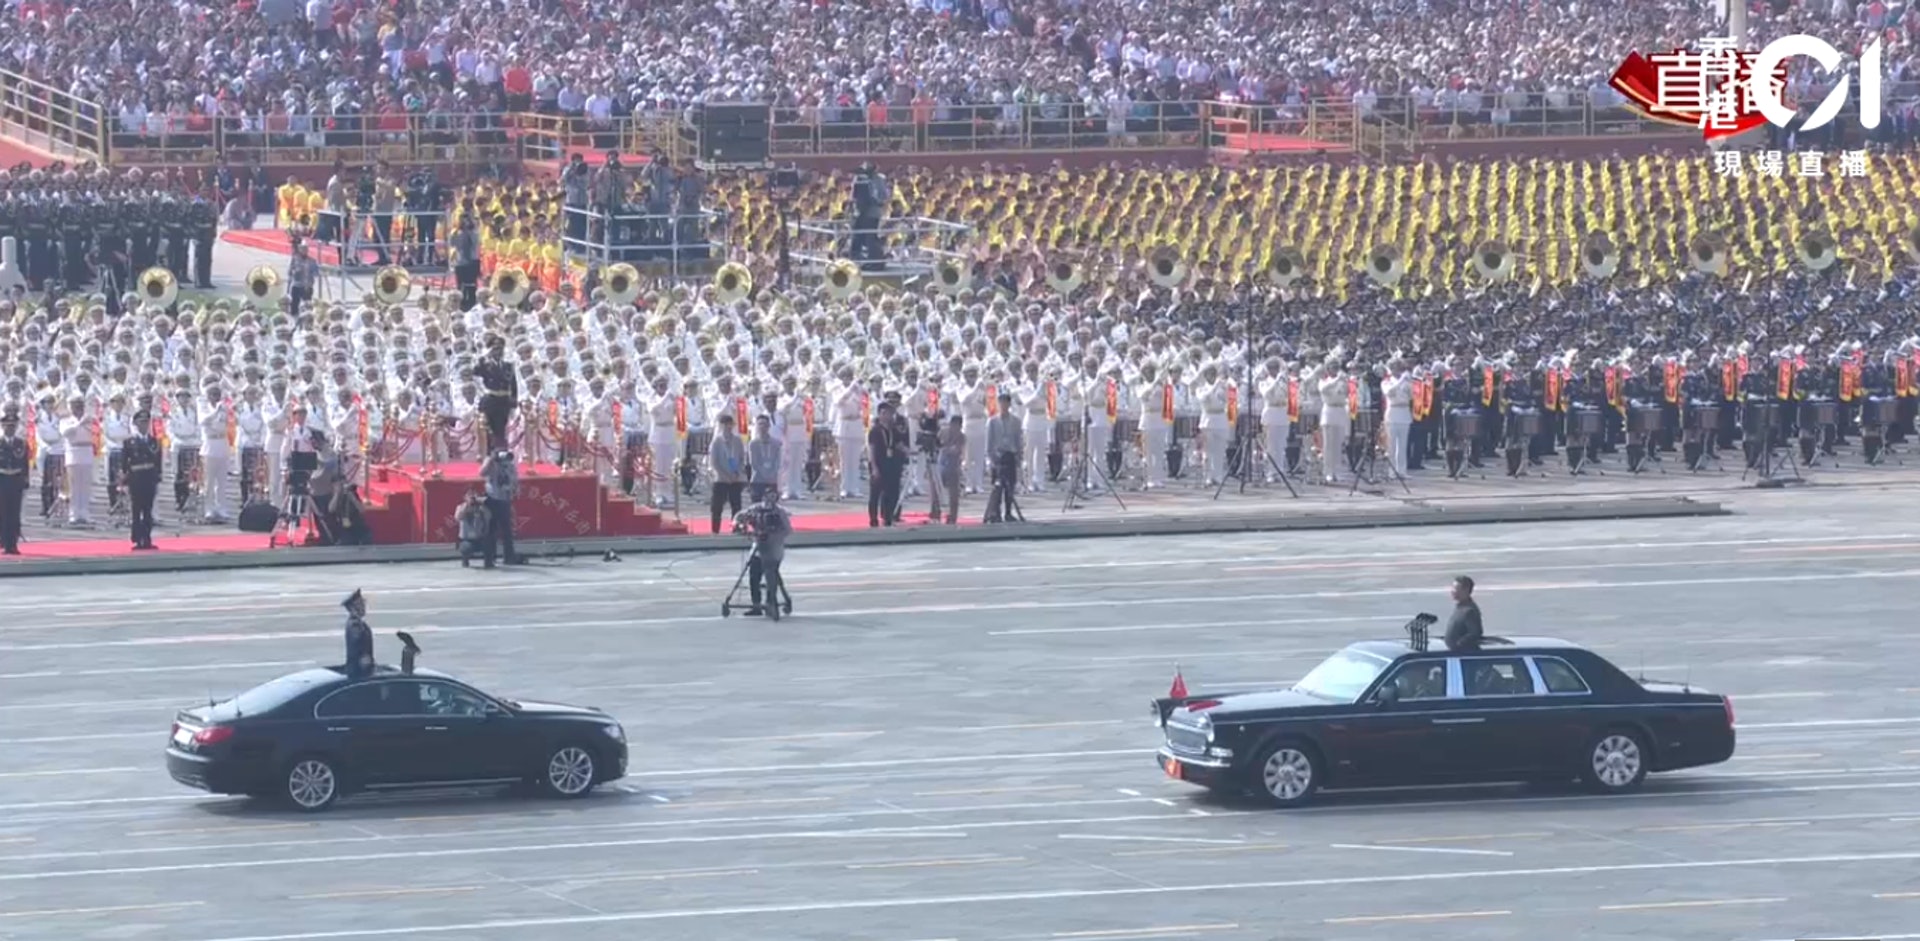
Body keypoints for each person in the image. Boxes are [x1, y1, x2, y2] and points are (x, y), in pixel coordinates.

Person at [734, 493, 791, 617]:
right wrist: (739, 525)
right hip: (758, 548)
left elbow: (787, 530)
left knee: (772, 576)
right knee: (754, 577)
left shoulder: (780, 512)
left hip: (774, 548)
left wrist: (773, 535)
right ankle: (756, 605)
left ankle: (771, 602)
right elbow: (739, 516)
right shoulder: (755, 509)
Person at [123, 409, 162, 550]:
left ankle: (147, 538)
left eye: (146, 422)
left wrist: (157, 478)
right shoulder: (129, 442)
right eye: (141, 423)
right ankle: (137, 538)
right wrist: (125, 481)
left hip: (149, 478)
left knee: (147, 510)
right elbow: (124, 463)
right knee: (136, 510)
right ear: (135, 424)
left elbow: (158, 462)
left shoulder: (154, 441)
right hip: (136, 479)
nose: (144, 426)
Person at [867, 399, 906, 527]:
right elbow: (871, 449)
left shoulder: (894, 430)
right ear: (879, 414)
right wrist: (874, 467)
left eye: (889, 413)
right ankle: (873, 518)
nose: (887, 416)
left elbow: (899, 445)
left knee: (891, 491)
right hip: (879, 463)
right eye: (884, 413)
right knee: (875, 493)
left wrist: (910, 452)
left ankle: (888, 515)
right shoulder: (875, 431)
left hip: (891, 464)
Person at [707, 412, 747, 533]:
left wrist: (737, 472)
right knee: (717, 507)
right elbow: (714, 462)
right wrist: (725, 475)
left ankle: (736, 529)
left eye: (730, 424)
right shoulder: (716, 442)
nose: (728, 427)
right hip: (721, 479)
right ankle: (715, 531)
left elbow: (741, 458)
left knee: (736, 506)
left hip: (735, 478)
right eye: (725, 425)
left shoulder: (737, 440)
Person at [985, 390, 1022, 522]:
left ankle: (1008, 512)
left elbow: (1018, 440)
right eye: (1001, 402)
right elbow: (989, 442)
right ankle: (996, 512)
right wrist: (991, 458)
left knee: (1010, 486)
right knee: (998, 487)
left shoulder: (1016, 421)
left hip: (1010, 455)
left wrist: (1019, 456)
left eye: (1006, 402)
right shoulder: (992, 421)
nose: (1003, 405)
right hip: (998, 456)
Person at [480, 448, 519, 568]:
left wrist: (514, 489)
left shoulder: (509, 466)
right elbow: (482, 473)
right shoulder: (491, 464)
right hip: (492, 499)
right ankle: (490, 558)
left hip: (505, 499)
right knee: (491, 530)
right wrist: (491, 460)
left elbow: (514, 480)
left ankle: (509, 556)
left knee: (507, 530)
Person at [0, 406, 26, 554]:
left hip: (15, 480)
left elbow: (24, 464)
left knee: (14, 514)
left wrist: (25, 480)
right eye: (7, 426)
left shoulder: (20, 443)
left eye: (12, 427)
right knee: (2, 513)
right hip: (2, 480)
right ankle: (3, 541)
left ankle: (12, 544)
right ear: (2, 427)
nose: (9, 429)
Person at [934, 413, 964, 524]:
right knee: (937, 491)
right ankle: (935, 513)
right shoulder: (943, 432)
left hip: (953, 466)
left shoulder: (961, 436)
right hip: (941, 464)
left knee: (953, 494)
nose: (955, 428)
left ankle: (952, 516)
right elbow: (937, 444)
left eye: (958, 426)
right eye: (954, 425)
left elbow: (958, 450)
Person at [747, 413, 781, 504]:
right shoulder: (753, 444)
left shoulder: (776, 443)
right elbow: (753, 463)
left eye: (764, 424)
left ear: (769, 426)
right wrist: (764, 474)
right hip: (757, 479)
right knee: (756, 507)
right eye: (760, 424)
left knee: (772, 507)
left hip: (772, 480)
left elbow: (778, 462)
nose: (762, 427)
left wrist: (771, 474)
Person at [1444, 576, 1484, 650]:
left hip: (1461, 655)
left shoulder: (1469, 611)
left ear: (1465, 590)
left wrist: (1458, 645)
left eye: (1455, 588)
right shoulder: (1460, 607)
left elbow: (1475, 633)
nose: (1452, 591)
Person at [342, 589, 374, 677]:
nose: (364, 606)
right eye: (361, 604)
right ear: (353, 607)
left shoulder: (358, 622)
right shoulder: (354, 624)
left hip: (362, 670)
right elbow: (357, 643)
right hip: (359, 672)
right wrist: (364, 659)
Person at [455, 490, 489, 567]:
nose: (472, 499)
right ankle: (465, 562)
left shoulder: (481, 508)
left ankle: (488, 564)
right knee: (466, 548)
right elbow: (458, 517)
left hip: (479, 539)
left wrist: (483, 507)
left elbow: (488, 518)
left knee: (489, 545)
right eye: (470, 496)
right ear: (465, 498)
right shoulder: (460, 507)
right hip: (466, 539)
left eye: (474, 497)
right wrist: (467, 505)